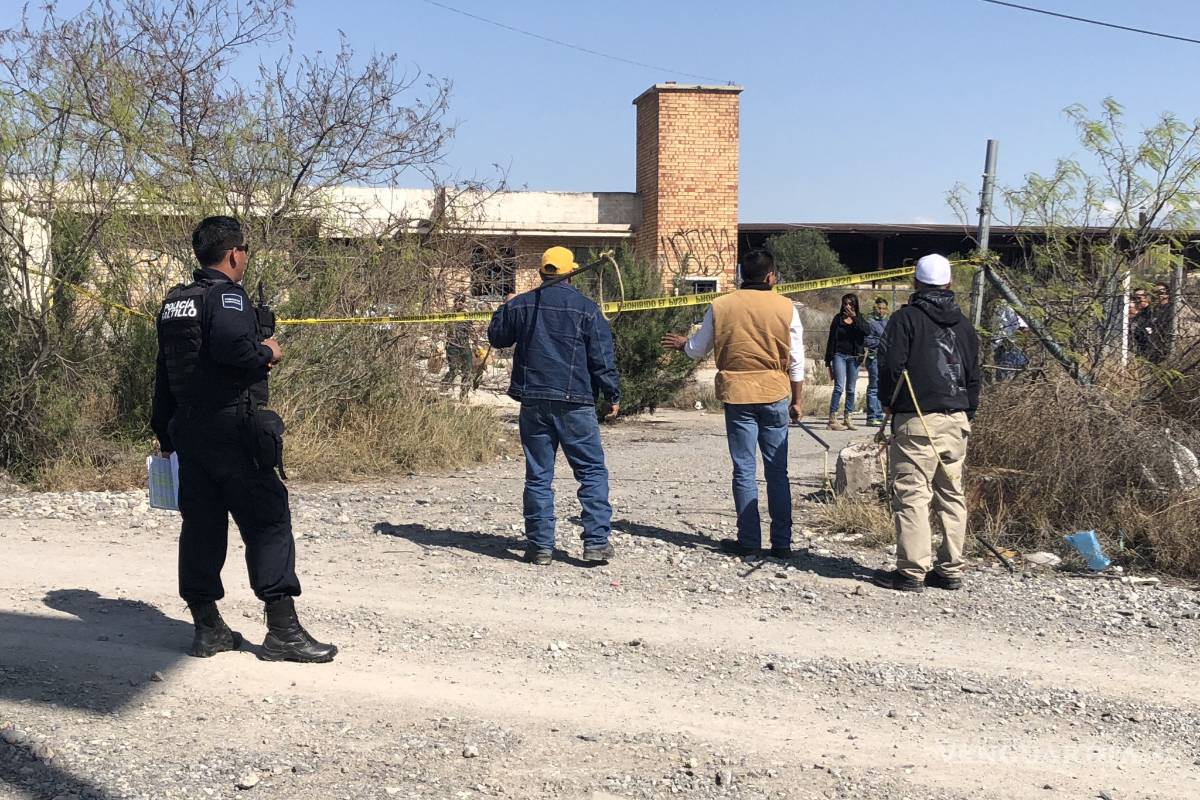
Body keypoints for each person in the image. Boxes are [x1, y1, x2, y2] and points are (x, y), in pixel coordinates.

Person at [150, 216, 337, 662]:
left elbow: (164, 374)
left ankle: (207, 627)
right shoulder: (227, 296)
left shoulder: (175, 302)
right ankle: (283, 632)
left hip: (189, 431)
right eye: (245, 252)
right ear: (234, 254)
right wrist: (267, 351)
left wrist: (164, 432)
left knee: (202, 526)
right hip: (231, 428)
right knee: (268, 519)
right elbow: (235, 350)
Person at [662, 249, 805, 559]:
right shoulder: (786, 307)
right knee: (777, 472)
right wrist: (798, 400)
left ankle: (749, 540)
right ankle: (782, 543)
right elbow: (797, 359)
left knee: (743, 470)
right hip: (775, 392)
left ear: (741, 276)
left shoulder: (721, 305)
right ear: (771, 277)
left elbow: (698, 349)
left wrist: (682, 345)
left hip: (737, 394)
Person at [487, 246, 620, 566]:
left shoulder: (521, 305)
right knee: (590, 472)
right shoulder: (587, 309)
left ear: (541, 273)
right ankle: (596, 544)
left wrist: (505, 309)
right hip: (576, 404)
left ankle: (540, 546)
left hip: (533, 402)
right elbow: (601, 358)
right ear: (570, 274)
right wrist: (612, 394)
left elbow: (496, 337)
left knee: (538, 476)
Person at [874, 254, 981, 593]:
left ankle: (911, 572)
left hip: (917, 419)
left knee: (913, 494)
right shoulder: (964, 325)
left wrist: (889, 404)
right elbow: (975, 375)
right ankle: (950, 569)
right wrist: (967, 412)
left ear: (916, 284)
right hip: (957, 420)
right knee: (952, 493)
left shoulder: (905, 319)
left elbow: (891, 366)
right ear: (949, 284)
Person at [824, 293, 869, 431]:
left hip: (854, 357)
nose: (847, 306)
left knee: (851, 389)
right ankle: (832, 418)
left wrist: (854, 317)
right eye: (845, 303)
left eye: (850, 303)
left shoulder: (859, 318)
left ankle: (848, 417)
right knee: (839, 386)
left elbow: (866, 331)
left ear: (855, 305)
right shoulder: (838, 319)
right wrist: (828, 360)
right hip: (839, 355)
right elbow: (831, 339)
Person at [442, 295, 475, 400]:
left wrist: (476, 344)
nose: (459, 303)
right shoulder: (449, 314)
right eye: (457, 301)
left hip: (465, 345)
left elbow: (472, 329)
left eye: (462, 301)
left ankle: (464, 394)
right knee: (454, 369)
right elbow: (444, 328)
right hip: (452, 346)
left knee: (468, 370)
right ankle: (444, 387)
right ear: (454, 302)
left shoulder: (467, 314)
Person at [863, 297, 890, 426]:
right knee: (873, 387)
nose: (881, 311)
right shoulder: (870, 323)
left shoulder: (888, 323)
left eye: (883, 308)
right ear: (875, 308)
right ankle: (871, 415)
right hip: (874, 357)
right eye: (879, 308)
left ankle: (879, 414)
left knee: (881, 386)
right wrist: (882, 343)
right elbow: (867, 340)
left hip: (885, 358)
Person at [990, 300, 1029, 382]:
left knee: (1005, 373)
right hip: (1000, 345)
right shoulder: (994, 304)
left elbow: (1023, 328)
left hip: (1006, 345)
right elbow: (1024, 329)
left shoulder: (1013, 304)